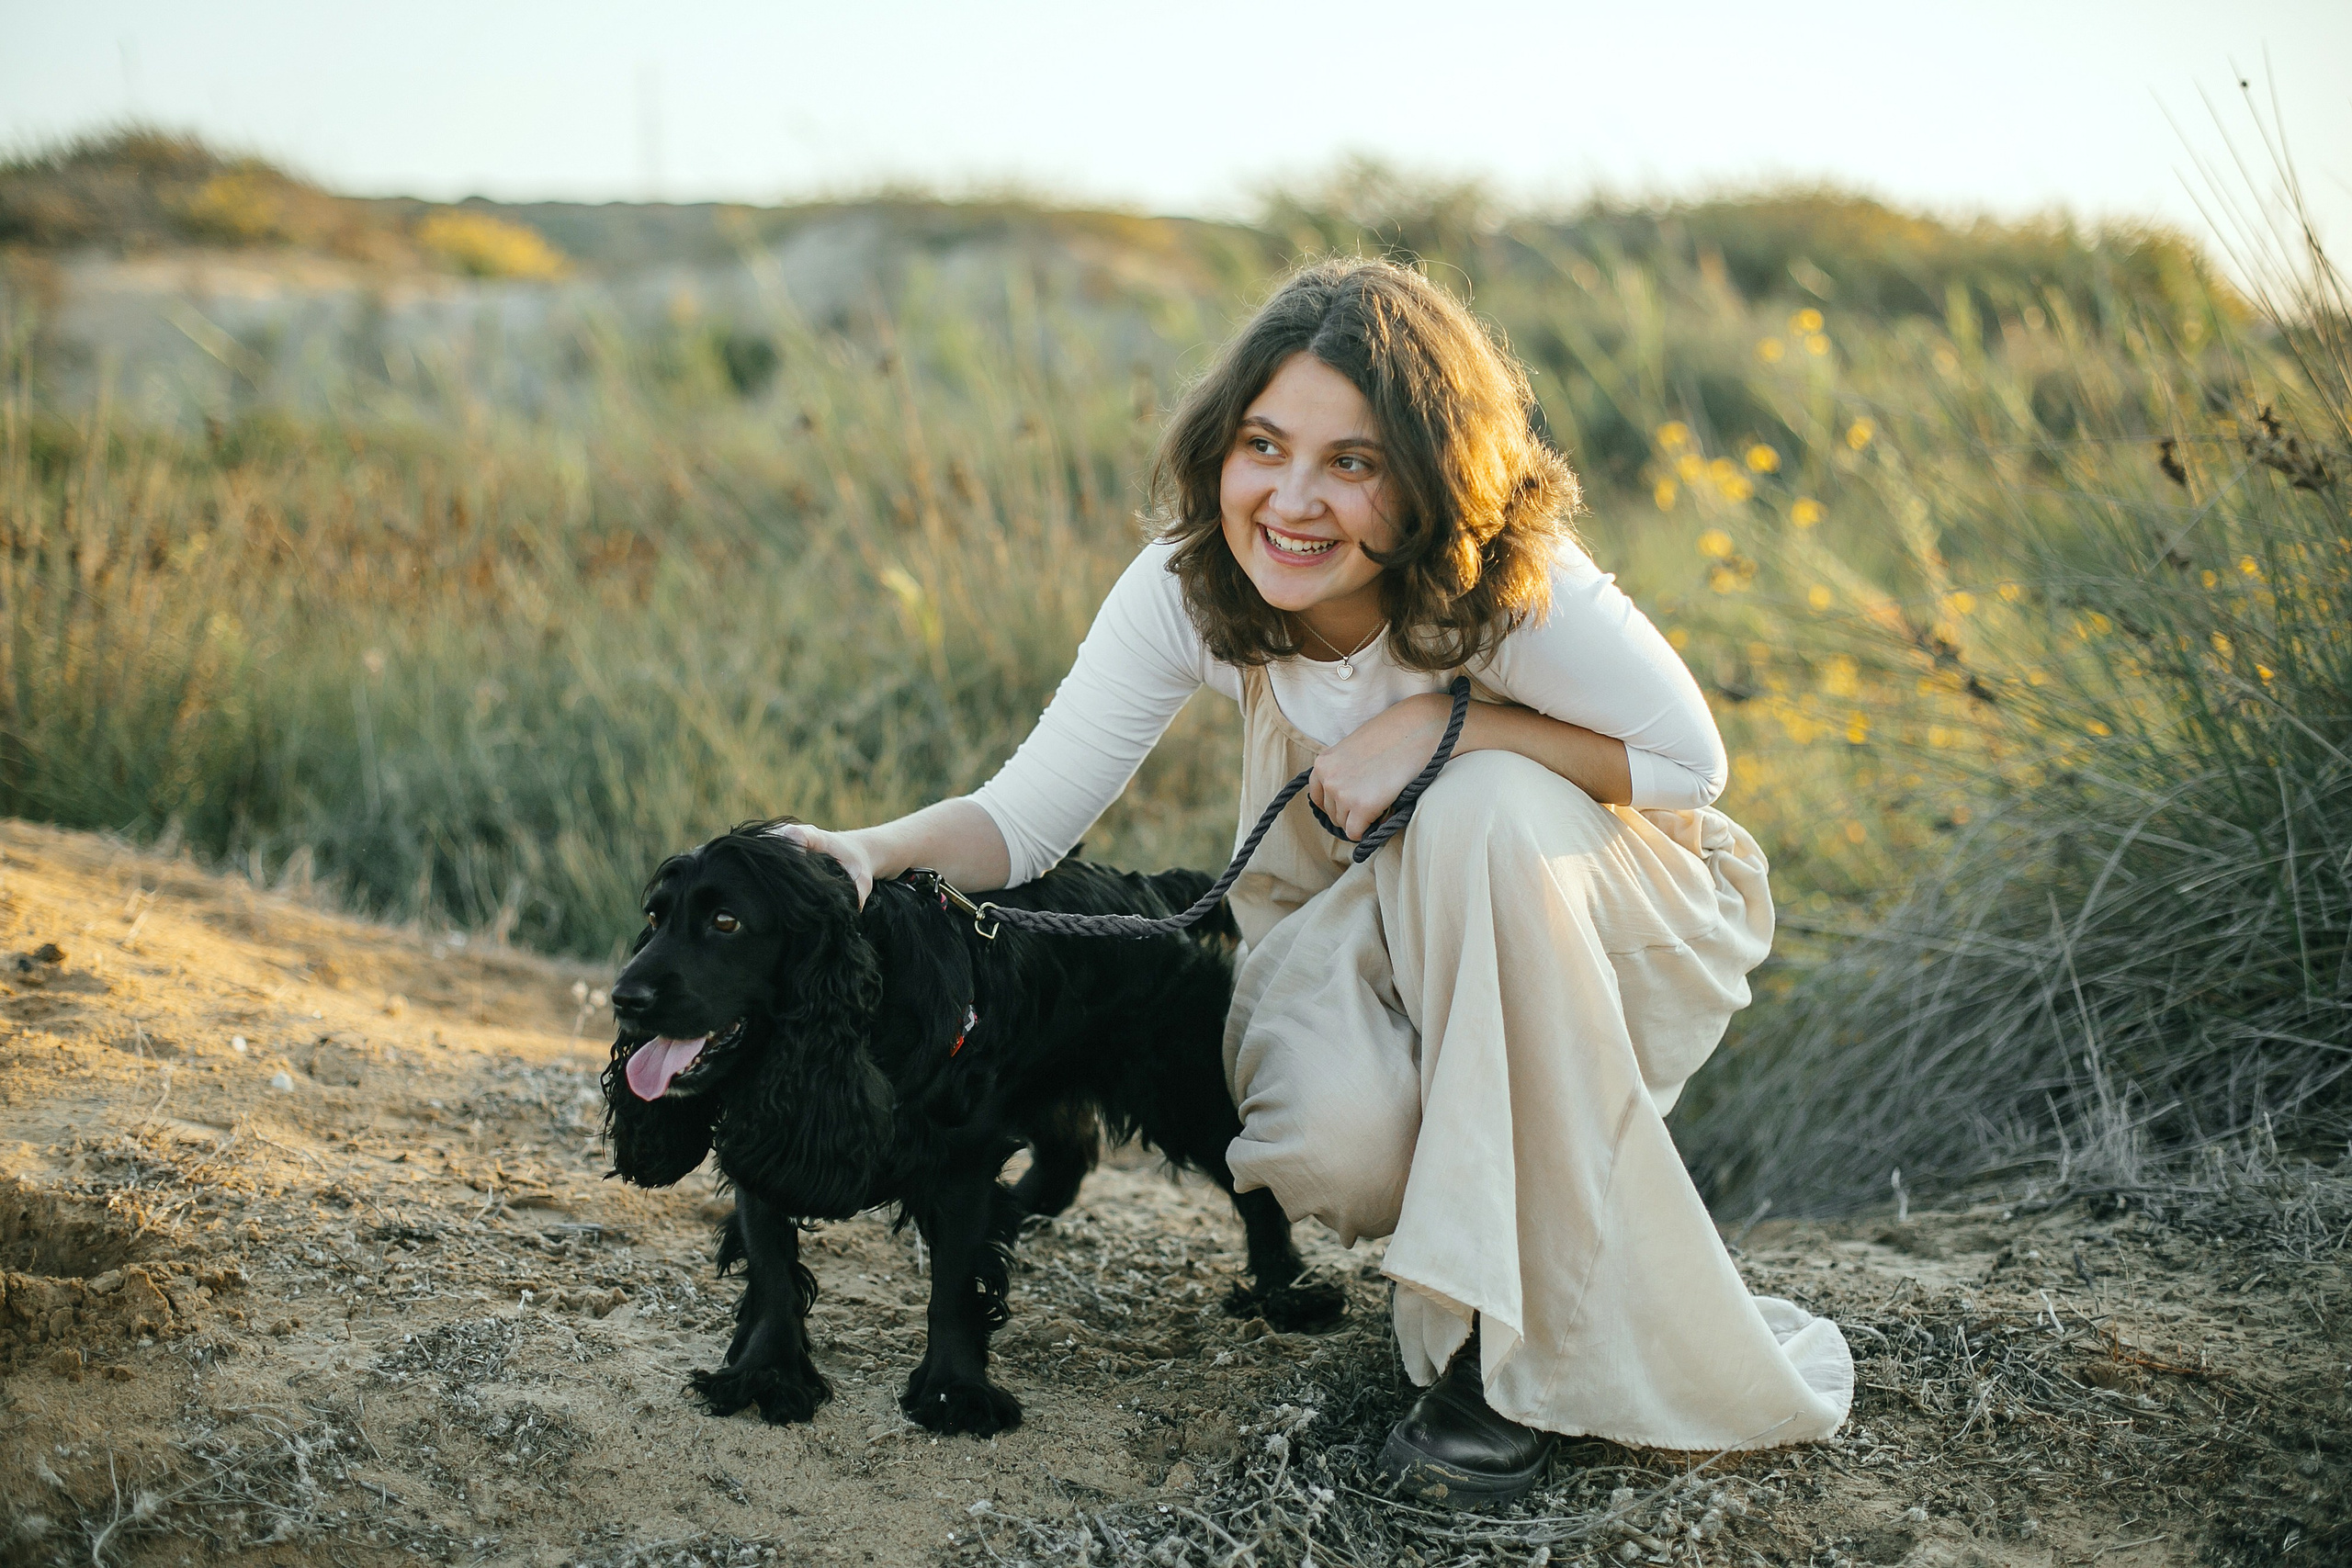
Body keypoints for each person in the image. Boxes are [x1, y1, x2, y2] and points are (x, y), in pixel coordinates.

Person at [785, 257, 1851, 1504]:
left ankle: (1501, 1371)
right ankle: (1501, 1254)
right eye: (1264, 445)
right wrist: (866, 852)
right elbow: (1023, 821)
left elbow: (1689, 761)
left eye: (1354, 461)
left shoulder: (1518, 585)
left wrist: (1449, 722)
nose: (1292, 500)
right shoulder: (1190, 586)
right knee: (1333, 1151)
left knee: (1479, 810)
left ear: (1432, 477)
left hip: (1592, 895)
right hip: (1364, 917)